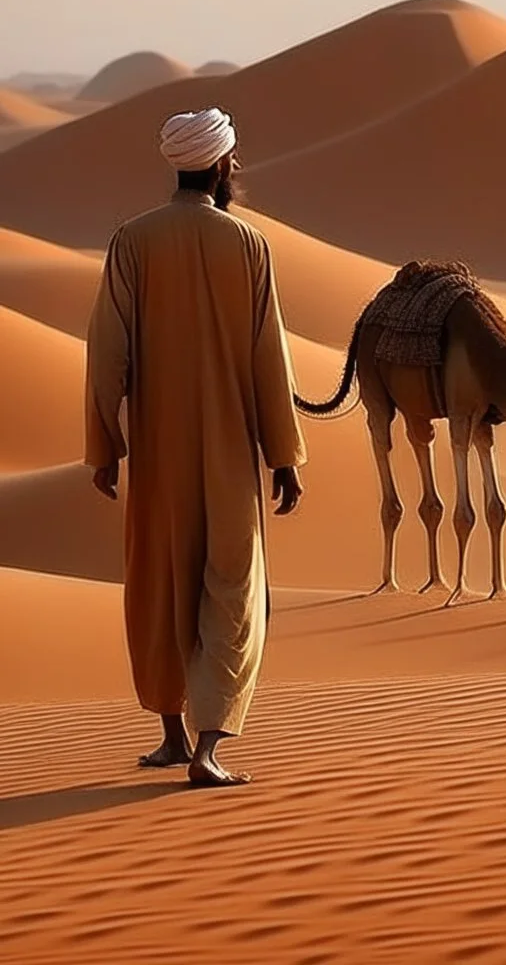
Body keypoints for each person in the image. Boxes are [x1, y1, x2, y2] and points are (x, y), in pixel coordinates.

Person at [84, 105, 306, 787]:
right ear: (219, 166)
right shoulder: (247, 245)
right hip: (231, 451)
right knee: (230, 587)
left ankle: (173, 737)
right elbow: (270, 357)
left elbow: (106, 353)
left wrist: (106, 446)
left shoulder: (132, 241)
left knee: (161, 584)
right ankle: (208, 748)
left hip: (157, 451)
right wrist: (284, 457)